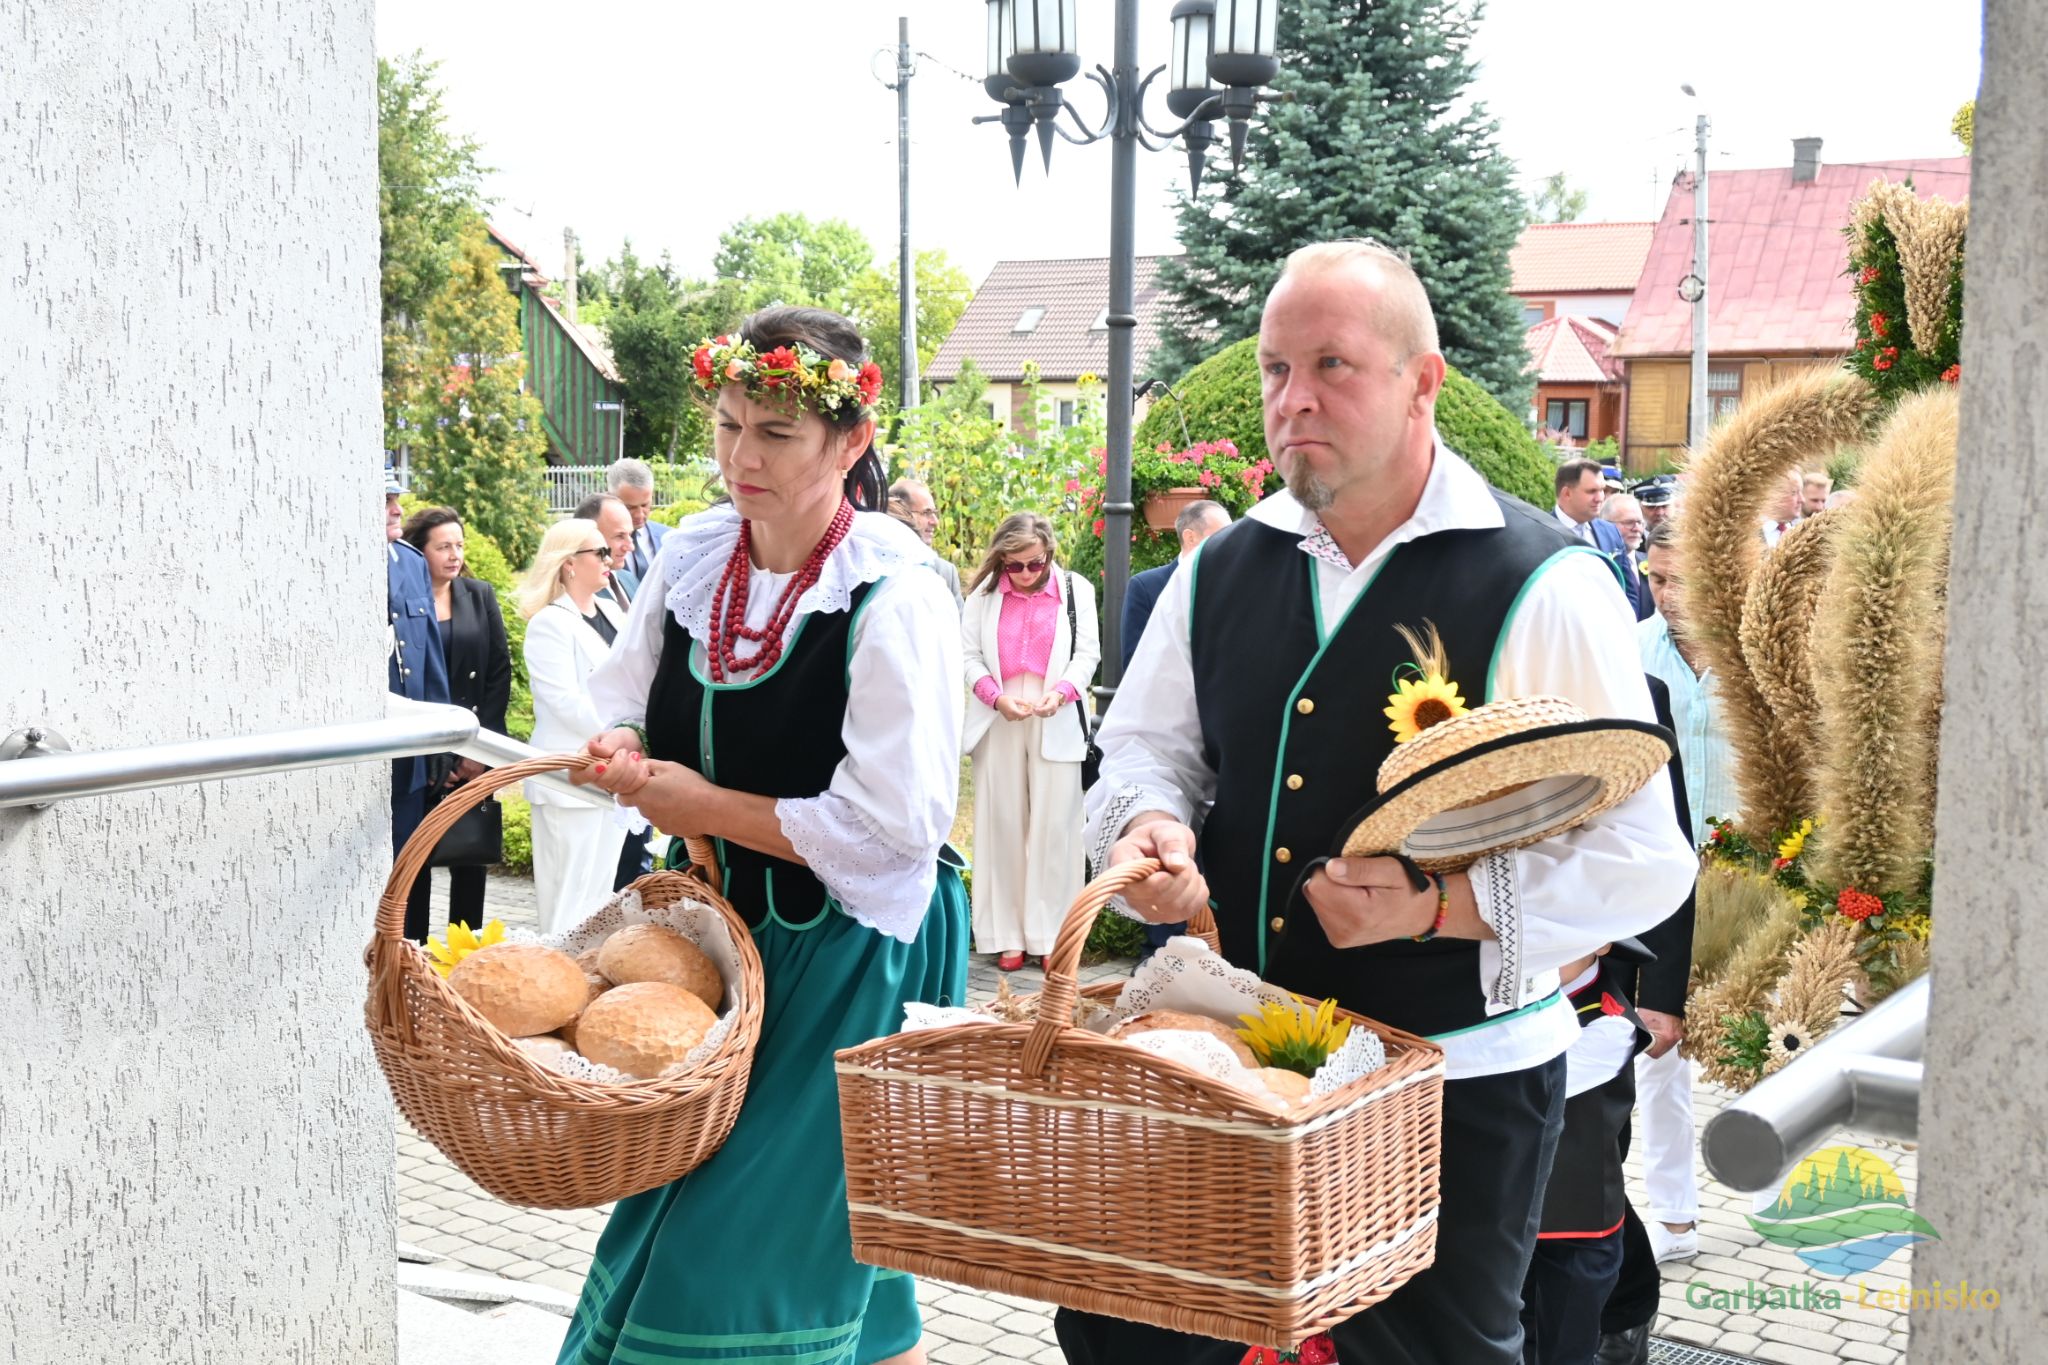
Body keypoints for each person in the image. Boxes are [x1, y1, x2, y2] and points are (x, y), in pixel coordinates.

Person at [1059, 240, 1695, 1365]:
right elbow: (1146, 750)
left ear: (1422, 381)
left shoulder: (1544, 579)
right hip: (1236, 1059)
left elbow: (1644, 859)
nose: (1291, 399)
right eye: (1275, 368)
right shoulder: (1219, 567)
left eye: (1332, 366)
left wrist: (1438, 908)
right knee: (1148, 1338)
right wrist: (1150, 823)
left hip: (1453, 1083)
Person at [570, 306, 964, 1365]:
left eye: (776, 433)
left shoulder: (895, 593)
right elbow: (624, 701)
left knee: (740, 1258)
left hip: (850, 947)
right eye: (728, 424)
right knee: (833, 1259)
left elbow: (892, 834)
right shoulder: (698, 556)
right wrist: (621, 747)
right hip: (715, 939)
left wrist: (701, 806)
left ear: (851, 440)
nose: (741, 456)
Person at [959, 514, 1101, 972]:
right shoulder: (983, 596)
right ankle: (1005, 935)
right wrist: (994, 697)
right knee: (1001, 824)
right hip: (998, 713)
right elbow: (967, 656)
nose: (1023, 573)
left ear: (1049, 554)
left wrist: (1061, 693)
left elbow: (1088, 655)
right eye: (1014, 565)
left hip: (1054, 710)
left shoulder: (1076, 591)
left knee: (1057, 827)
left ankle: (1052, 935)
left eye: (1034, 564)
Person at [400, 507, 512, 939]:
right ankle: (414, 953)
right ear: (420, 552)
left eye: (459, 545)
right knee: (417, 862)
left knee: (470, 859)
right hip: (422, 754)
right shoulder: (403, 602)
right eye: (443, 546)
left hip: (473, 748)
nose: (454, 555)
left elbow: (498, 673)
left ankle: (467, 954)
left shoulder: (478, 595)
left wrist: (479, 752)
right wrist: (435, 757)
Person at [518, 519, 622, 933]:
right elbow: (562, 701)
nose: (609, 559)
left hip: (611, 773)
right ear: (569, 564)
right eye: (600, 552)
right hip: (568, 776)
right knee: (566, 901)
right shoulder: (549, 623)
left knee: (600, 899)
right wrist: (621, 731)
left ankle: (593, 968)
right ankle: (557, 969)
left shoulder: (613, 611)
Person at [576, 492, 658, 891]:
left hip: (633, 756)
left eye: (630, 535)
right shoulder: (571, 602)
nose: (628, 545)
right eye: (617, 537)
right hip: (598, 761)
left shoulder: (626, 582)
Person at [386, 472, 450, 896]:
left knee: (403, 876)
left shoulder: (409, 561)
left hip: (408, 752)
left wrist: (441, 737)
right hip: (369, 746)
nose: (397, 510)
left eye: (396, 499)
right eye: (386, 501)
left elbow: (429, 656)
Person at [1120, 498, 1229, 671]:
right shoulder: (1145, 587)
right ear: (1190, 537)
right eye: (1222, 536)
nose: (1230, 543)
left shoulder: (1233, 584)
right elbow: (1135, 663)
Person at [1556, 460, 1645, 617]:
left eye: (1602, 490)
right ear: (1567, 493)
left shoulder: (1610, 531)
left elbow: (1628, 590)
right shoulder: (1542, 531)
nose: (1600, 498)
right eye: (1592, 491)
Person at [886, 477, 963, 603]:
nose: (935, 522)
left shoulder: (945, 572)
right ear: (900, 512)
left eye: (934, 513)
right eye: (926, 513)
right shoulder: (870, 569)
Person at [575, 491, 643, 612]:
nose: (631, 547)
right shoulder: (576, 590)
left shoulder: (630, 579)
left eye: (630, 534)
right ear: (590, 535)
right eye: (619, 536)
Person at [609, 457, 669, 580]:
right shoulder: (594, 543)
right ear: (610, 497)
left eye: (645, 505)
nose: (639, 515)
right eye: (630, 507)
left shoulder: (668, 537)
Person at [1597, 493, 1652, 621]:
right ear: (1605, 525)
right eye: (1629, 522)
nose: (1637, 528)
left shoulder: (1651, 563)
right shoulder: (1597, 565)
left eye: (1640, 522)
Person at [1761, 470, 1803, 549]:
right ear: (1774, 495)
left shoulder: (1802, 533)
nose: (1802, 500)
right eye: (1794, 493)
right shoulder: (1748, 534)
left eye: (1801, 492)